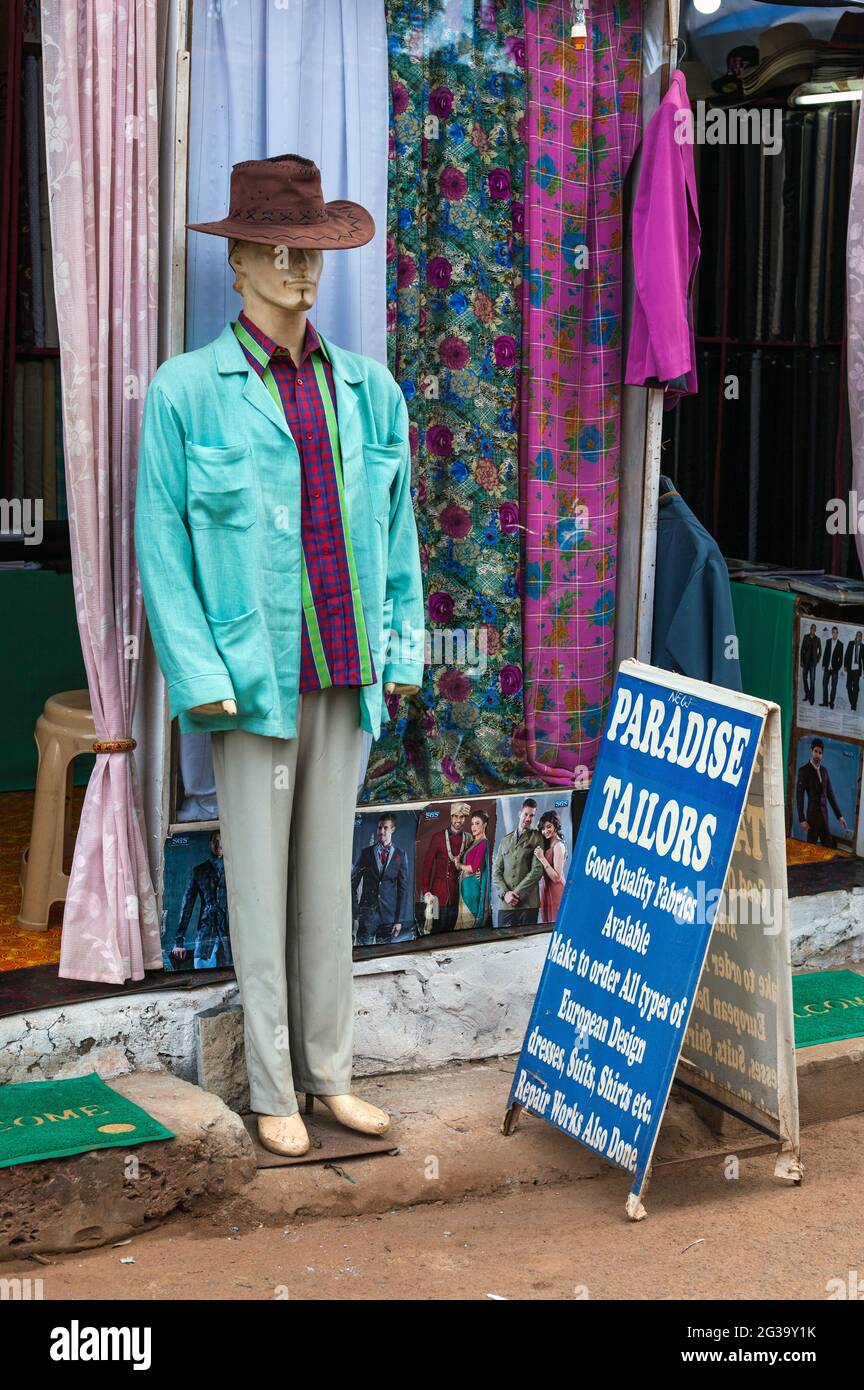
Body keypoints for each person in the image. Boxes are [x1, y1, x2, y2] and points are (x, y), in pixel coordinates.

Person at [136, 154, 424, 1159]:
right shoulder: (187, 393)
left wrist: (402, 649)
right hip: (250, 682)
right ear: (237, 266)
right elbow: (160, 545)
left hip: (343, 671)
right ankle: (272, 1087)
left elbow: (396, 533)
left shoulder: (367, 390)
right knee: (257, 887)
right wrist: (201, 677)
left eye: (306, 254)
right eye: (272, 252)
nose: (295, 274)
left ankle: (331, 1074)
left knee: (325, 887)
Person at [170, 832, 232, 969]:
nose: (219, 844)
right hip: (206, 931)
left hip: (231, 931)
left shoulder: (236, 869)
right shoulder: (199, 871)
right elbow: (187, 907)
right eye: (215, 840)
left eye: (222, 840)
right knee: (202, 972)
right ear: (210, 844)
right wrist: (179, 941)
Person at [352, 814, 411, 946]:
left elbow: (403, 889)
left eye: (385, 828)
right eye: (379, 828)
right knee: (363, 953)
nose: (381, 831)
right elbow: (352, 883)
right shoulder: (366, 853)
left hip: (388, 917)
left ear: (393, 829)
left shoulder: (400, 855)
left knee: (384, 954)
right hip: (367, 915)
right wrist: (355, 909)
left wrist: (399, 920)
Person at [419, 802, 471, 934]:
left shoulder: (468, 839)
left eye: (461, 817)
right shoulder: (438, 837)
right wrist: (426, 890)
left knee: (452, 931)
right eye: (455, 816)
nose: (458, 820)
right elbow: (427, 866)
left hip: (457, 896)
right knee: (434, 928)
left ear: (465, 818)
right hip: (436, 895)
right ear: (451, 816)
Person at [493, 798, 545, 928]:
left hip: (528, 904)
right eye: (526, 814)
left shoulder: (537, 838)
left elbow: (537, 870)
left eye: (532, 815)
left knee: (528, 942)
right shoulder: (505, 840)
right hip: (505, 904)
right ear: (519, 813)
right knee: (503, 941)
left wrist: (516, 894)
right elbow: (496, 872)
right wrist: (505, 894)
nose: (528, 818)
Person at [796, 738, 847, 848]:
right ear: (811, 751)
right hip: (812, 818)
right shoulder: (804, 771)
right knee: (811, 850)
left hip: (824, 817)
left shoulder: (824, 771)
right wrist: (802, 819)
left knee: (828, 848)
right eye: (815, 751)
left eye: (820, 753)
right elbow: (799, 797)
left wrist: (840, 817)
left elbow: (830, 795)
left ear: (822, 754)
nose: (817, 755)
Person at [455, 810, 491, 931]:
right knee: (462, 926)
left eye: (477, 823)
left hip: (472, 890)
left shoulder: (483, 843)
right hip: (465, 888)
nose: (473, 827)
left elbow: (473, 868)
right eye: (472, 824)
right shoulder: (473, 842)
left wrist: (459, 865)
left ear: (484, 825)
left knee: (467, 926)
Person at [535, 810, 567, 924]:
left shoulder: (558, 846)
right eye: (543, 828)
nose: (545, 831)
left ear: (555, 825)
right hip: (547, 890)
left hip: (557, 892)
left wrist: (542, 858)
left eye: (549, 827)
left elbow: (556, 878)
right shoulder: (548, 844)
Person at [821, 627, 844, 709]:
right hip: (827, 668)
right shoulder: (828, 642)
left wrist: (836, 668)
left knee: (833, 687)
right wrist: (823, 665)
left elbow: (841, 659)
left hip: (834, 669)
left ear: (837, 633)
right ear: (832, 633)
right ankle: (825, 702)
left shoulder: (840, 644)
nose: (834, 634)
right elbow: (825, 654)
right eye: (833, 632)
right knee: (824, 685)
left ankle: (831, 703)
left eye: (836, 632)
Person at [844, 630, 864, 712]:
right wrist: (845, 665)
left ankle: (853, 707)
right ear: (855, 636)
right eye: (858, 635)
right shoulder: (850, 643)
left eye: (860, 635)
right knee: (848, 686)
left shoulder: (863, 646)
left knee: (856, 688)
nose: (859, 636)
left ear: (861, 637)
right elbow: (846, 654)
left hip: (857, 670)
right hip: (850, 669)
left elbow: (863, 660)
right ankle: (853, 702)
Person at [800, 623, 821, 706]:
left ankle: (812, 698)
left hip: (813, 663)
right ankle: (807, 694)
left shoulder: (818, 639)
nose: (813, 629)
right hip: (805, 662)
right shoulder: (806, 637)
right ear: (810, 629)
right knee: (804, 679)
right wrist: (802, 660)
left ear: (815, 630)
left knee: (812, 681)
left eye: (814, 628)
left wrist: (817, 660)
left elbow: (820, 651)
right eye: (812, 628)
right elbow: (802, 649)